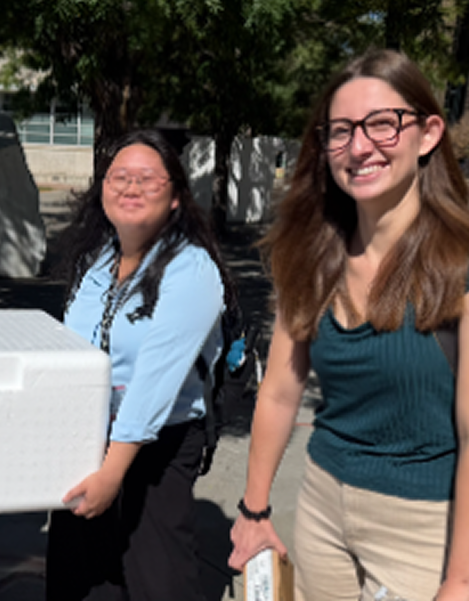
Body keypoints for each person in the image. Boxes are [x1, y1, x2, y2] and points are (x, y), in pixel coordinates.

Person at [228, 49, 469, 601]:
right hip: (321, 507)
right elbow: (281, 393)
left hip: (423, 525)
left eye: (383, 124)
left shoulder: (460, 265)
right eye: (340, 131)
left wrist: (460, 580)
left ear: (428, 133)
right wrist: (254, 510)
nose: (359, 147)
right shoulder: (312, 255)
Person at [46, 129, 234, 600]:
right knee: (77, 574)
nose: (130, 187)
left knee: (157, 575)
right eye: (119, 177)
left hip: (160, 443)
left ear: (175, 197)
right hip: (86, 432)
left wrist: (111, 474)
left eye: (148, 179)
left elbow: (155, 382)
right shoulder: (98, 260)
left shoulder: (192, 269)